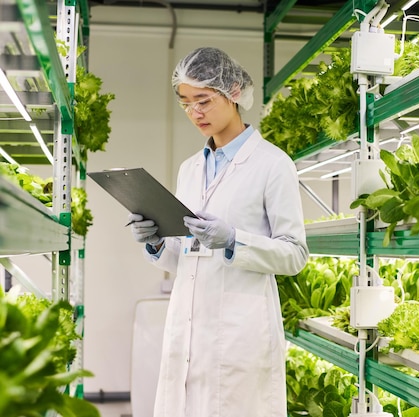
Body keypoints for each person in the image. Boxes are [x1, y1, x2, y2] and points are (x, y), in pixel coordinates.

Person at [127, 47, 309, 417]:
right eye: (186, 103)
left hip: (240, 337)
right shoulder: (190, 169)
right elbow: (189, 260)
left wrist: (233, 241)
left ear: (235, 91)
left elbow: (294, 255)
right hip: (189, 333)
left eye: (204, 100)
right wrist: (158, 243)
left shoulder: (273, 165)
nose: (195, 113)